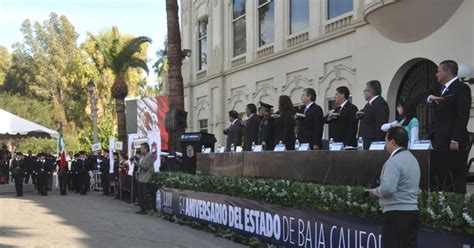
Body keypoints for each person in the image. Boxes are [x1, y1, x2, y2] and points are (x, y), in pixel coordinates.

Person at [365, 126, 420, 248]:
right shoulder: (413, 159)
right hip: (412, 214)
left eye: (386, 141)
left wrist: (372, 192)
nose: (385, 145)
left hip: (396, 215)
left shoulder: (394, 161)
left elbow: (388, 189)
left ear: (392, 141)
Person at [419, 60, 471, 150]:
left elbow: (462, 115)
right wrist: (430, 97)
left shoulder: (462, 88)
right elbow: (418, 97)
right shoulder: (438, 88)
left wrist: (455, 140)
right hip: (438, 140)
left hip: (452, 142)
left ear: (448, 72)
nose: (436, 74)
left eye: (439, 71)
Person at [357, 80, 390, 150]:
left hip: (372, 144)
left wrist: (377, 145)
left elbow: (381, 126)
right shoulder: (369, 104)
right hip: (365, 143)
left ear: (371, 91)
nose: (364, 93)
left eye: (365, 90)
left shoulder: (380, 103)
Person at [136, 143, 155, 214]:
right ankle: (141, 209)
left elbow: (146, 167)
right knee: (140, 194)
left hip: (146, 178)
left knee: (144, 195)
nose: (140, 149)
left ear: (146, 149)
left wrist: (137, 164)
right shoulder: (142, 156)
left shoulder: (149, 156)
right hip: (140, 177)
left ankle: (145, 210)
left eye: (142, 148)